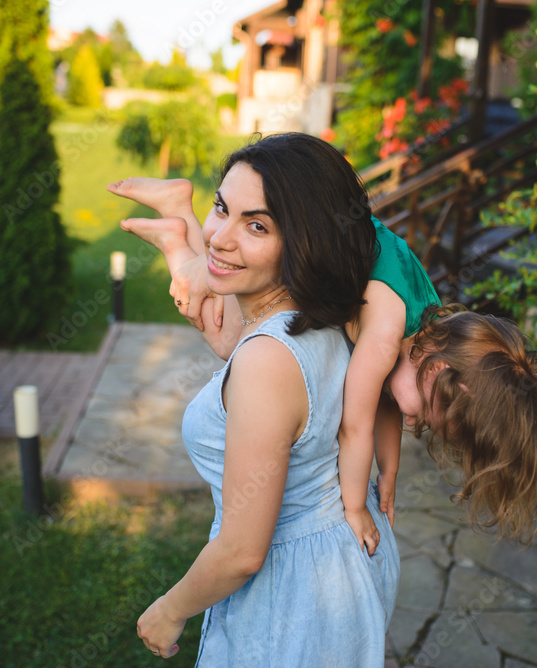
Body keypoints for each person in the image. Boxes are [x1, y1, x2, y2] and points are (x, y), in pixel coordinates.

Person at [128, 133, 399, 665]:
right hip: (343, 561)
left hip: (295, 595)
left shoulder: (267, 362)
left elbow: (241, 552)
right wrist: (181, 239)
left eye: (257, 225)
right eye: (221, 209)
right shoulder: (325, 315)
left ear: (303, 241)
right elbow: (233, 337)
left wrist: (168, 609)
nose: (221, 238)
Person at [108, 179, 441, 556]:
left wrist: (389, 472)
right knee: (228, 337)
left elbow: (386, 403)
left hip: (327, 249)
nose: (416, 424)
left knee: (227, 322)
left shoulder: (421, 325)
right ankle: (179, 234)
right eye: (427, 415)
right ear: (435, 368)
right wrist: (355, 506)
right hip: (308, 250)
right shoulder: (383, 340)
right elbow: (354, 427)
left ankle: (176, 227)